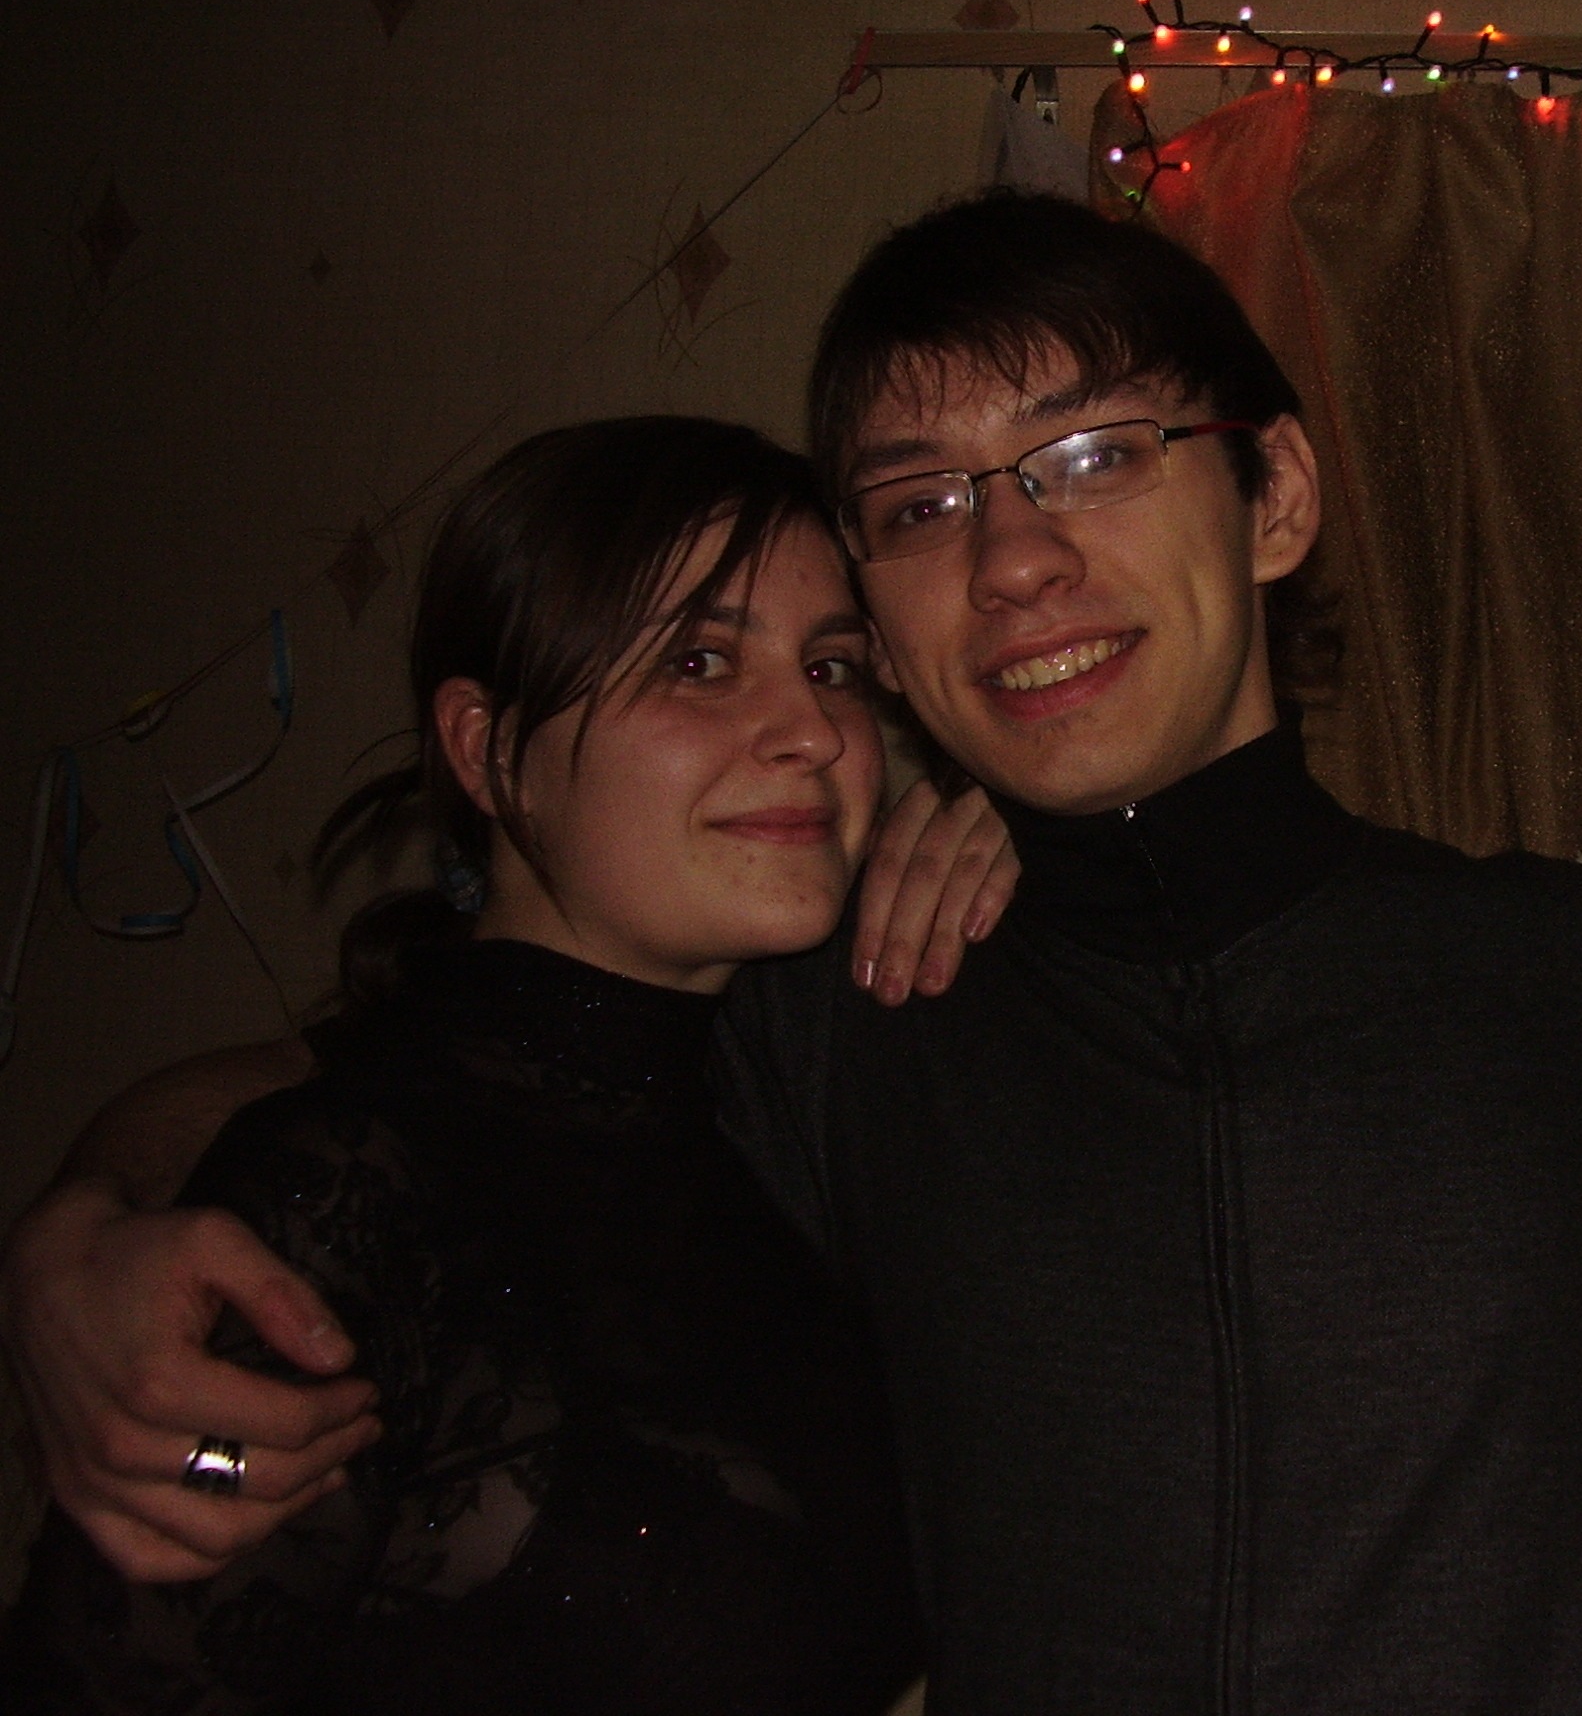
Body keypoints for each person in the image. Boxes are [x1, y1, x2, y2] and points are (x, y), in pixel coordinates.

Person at [11, 190, 1582, 1714]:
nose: (1012, 560)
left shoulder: (1548, 977)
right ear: (888, 632)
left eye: (1095, 455)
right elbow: (395, 1094)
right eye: (921, 508)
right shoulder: (845, 1011)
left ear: (1277, 498)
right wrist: (84, 1230)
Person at [1, 413, 1015, 1713]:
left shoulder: (795, 1118)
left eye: (832, 668)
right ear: (487, 749)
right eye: (701, 662)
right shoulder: (348, 1198)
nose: (811, 731)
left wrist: (1042, 831)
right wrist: (74, 1232)